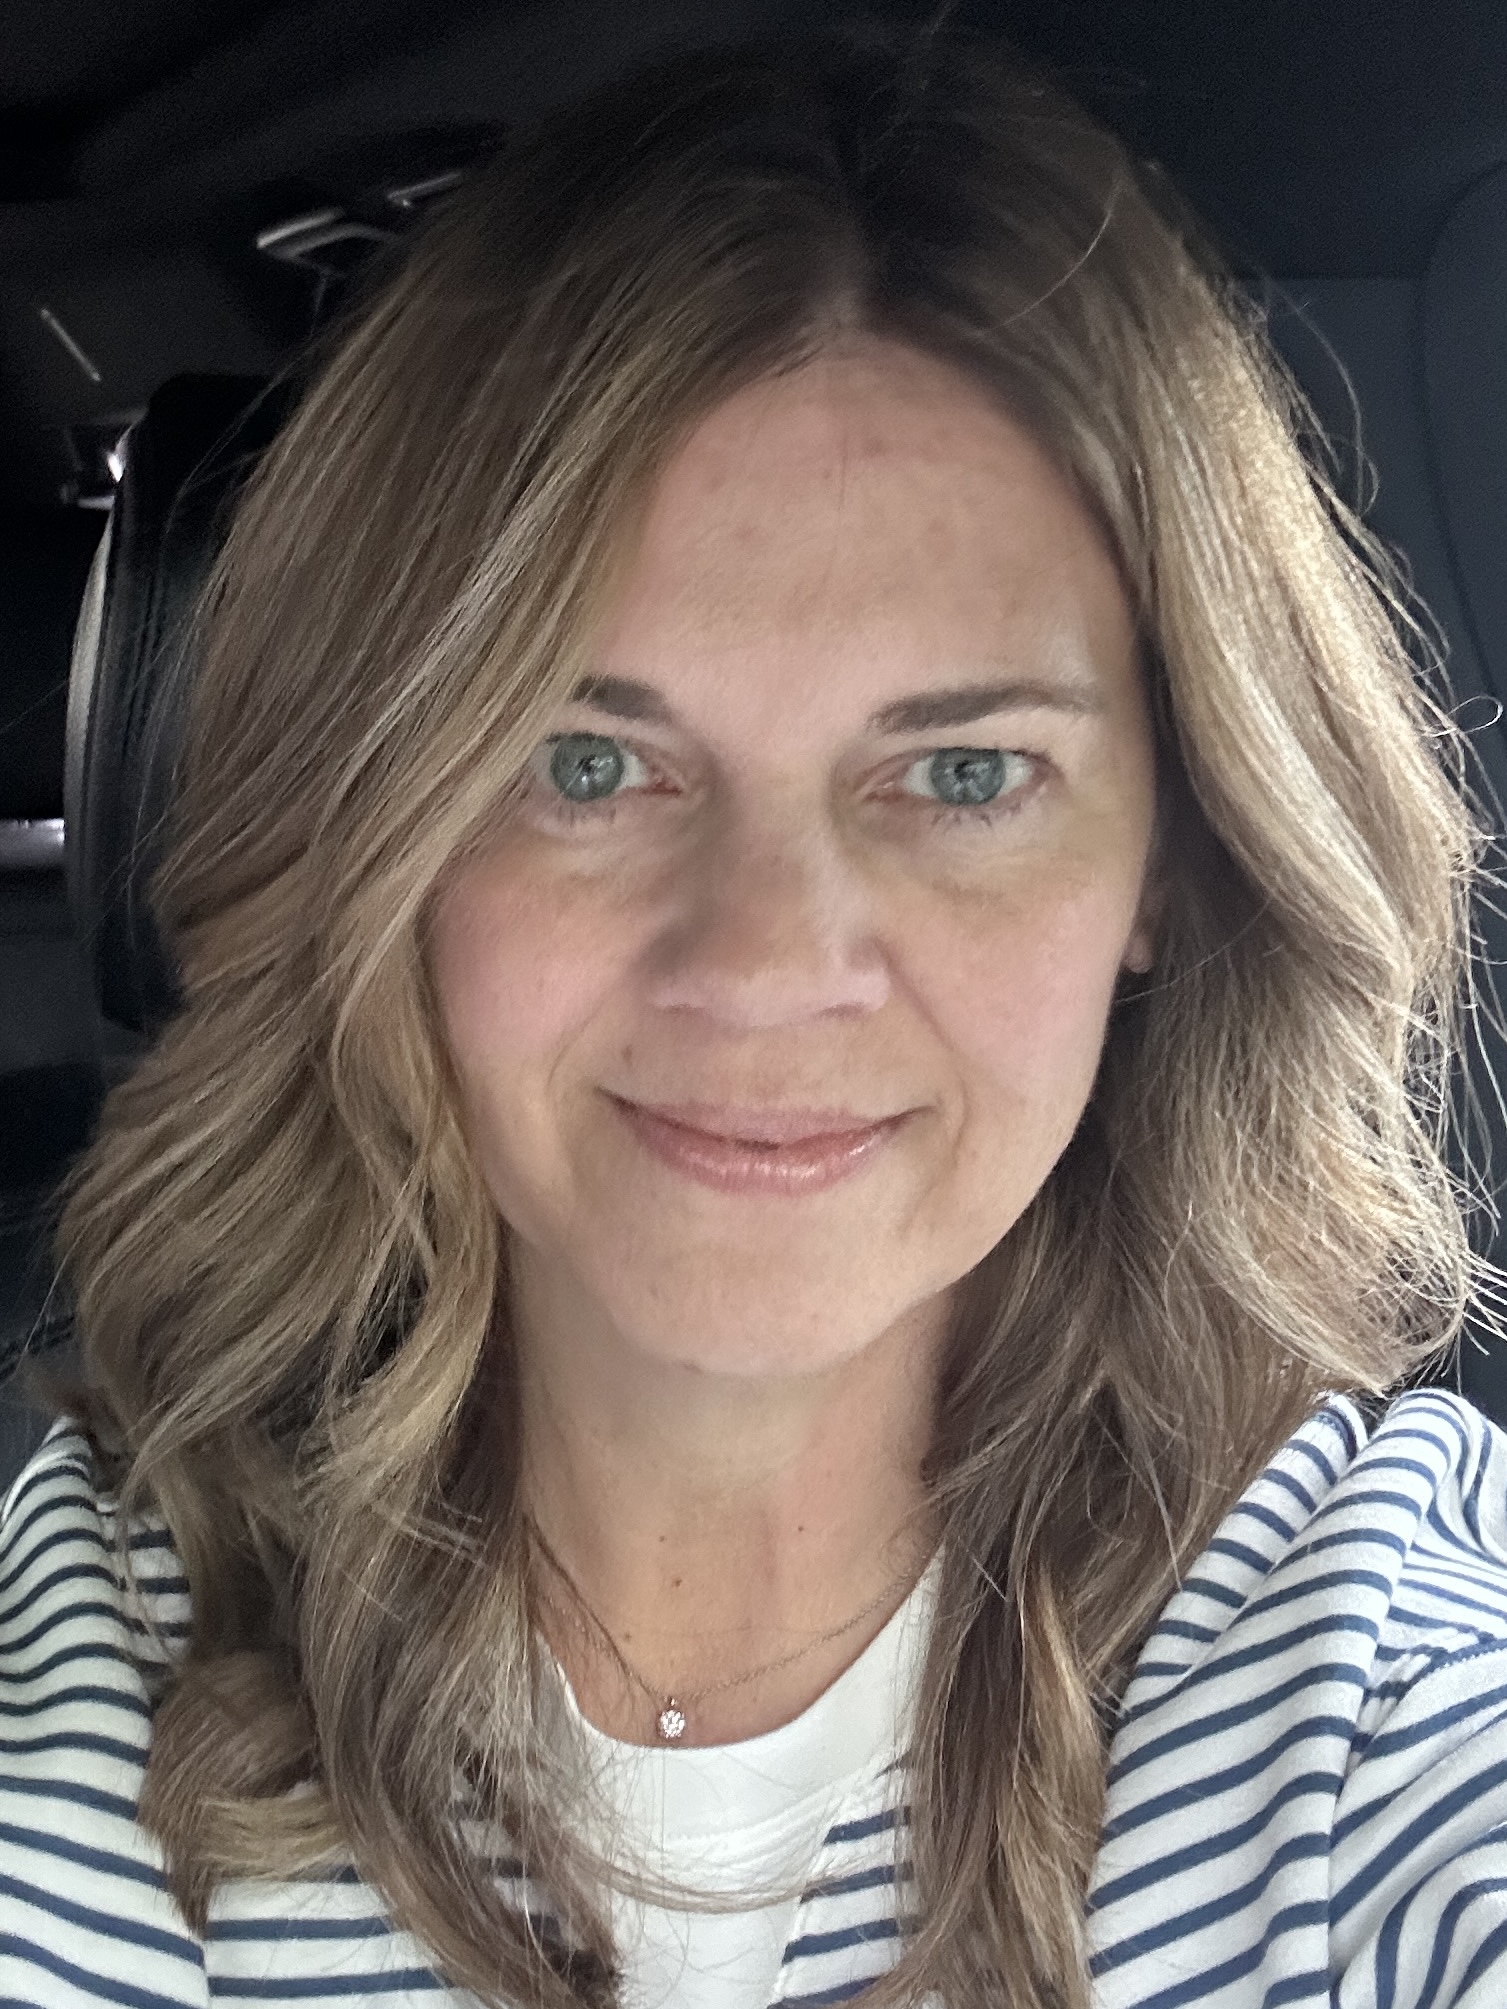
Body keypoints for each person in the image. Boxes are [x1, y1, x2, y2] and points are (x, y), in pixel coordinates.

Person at [3, 14, 1505, 2009]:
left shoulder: (1375, 1694)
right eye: (586, 762)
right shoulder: (85, 1689)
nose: (767, 961)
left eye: (963, 774)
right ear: (386, 840)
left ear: (1173, 862)